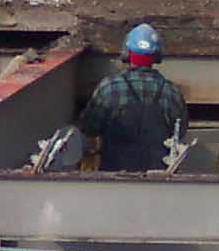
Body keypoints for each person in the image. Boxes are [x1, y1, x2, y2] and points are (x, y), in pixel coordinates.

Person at [78, 23, 187, 171]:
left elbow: (89, 128)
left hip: (114, 179)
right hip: (159, 180)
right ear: (157, 55)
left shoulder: (109, 88)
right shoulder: (171, 92)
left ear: (127, 53)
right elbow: (180, 133)